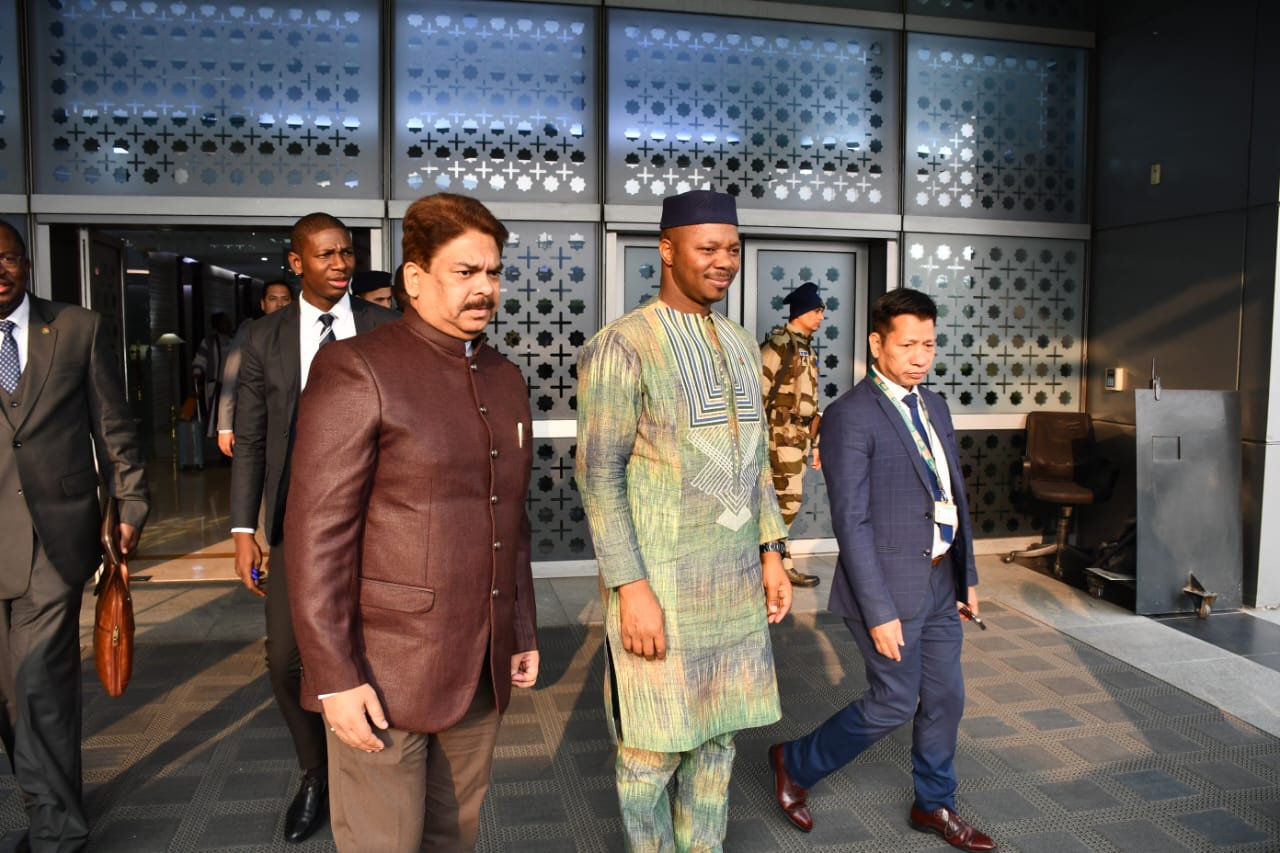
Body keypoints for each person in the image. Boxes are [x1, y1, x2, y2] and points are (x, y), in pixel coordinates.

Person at [285, 192, 538, 852]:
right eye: (466, 271)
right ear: (416, 277)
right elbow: (316, 539)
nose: (485, 288)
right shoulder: (358, 367)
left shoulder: (504, 376)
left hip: (480, 663)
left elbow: (511, 515)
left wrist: (520, 627)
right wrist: (334, 676)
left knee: (454, 837)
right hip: (381, 671)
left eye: (494, 272)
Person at [576, 189, 792, 852]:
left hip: (733, 588)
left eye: (733, 248)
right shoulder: (622, 345)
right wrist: (631, 588)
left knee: (718, 745)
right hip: (660, 589)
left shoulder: (741, 343)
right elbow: (598, 476)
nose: (724, 260)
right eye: (708, 247)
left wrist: (772, 551)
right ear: (667, 250)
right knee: (650, 753)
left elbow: (755, 460)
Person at [769, 289, 996, 852]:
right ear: (876, 343)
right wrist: (878, 611)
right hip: (887, 588)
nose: (921, 357)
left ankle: (934, 803)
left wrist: (966, 574)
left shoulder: (934, 405)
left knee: (946, 698)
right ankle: (795, 761)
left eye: (929, 345)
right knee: (894, 701)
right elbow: (852, 521)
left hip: (940, 579)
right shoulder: (850, 416)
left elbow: (952, 495)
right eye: (908, 345)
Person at [229, 213, 397, 843]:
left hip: (377, 517)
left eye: (346, 253)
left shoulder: (385, 326)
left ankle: (368, 767)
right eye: (325, 254)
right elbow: (251, 438)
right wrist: (243, 529)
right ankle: (315, 772)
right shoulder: (264, 336)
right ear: (296, 263)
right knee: (286, 659)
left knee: (372, 647)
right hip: (295, 521)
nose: (340, 264)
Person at [0, 221, 149, 850]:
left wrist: (130, 500)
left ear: (27, 263)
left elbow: (112, 425)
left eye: (8, 258)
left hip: (52, 536)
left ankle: (57, 830)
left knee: (39, 682)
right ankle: (47, 797)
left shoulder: (75, 327)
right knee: (11, 695)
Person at [760, 281, 827, 588]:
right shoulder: (779, 345)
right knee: (787, 502)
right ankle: (770, 562)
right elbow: (757, 392)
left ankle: (780, 563)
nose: (821, 317)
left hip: (799, 437)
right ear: (801, 312)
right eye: (817, 311)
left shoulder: (806, 348)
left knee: (785, 503)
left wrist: (816, 444)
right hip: (779, 435)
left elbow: (812, 402)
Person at [216, 280, 293, 457]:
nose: (279, 304)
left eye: (285, 299)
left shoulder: (302, 330)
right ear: (263, 304)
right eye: (273, 299)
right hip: (258, 421)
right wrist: (225, 427)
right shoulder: (250, 332)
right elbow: (230, 378)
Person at [191, 311, 232, 438]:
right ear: (217, 324)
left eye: (228, 322)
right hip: (217, 385)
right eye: (224, 322)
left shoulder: (234, 339)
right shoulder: (209, 342)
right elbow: (200, 358)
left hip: (233, 384)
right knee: (216, 414)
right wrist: (197, 371)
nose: (227, 324)